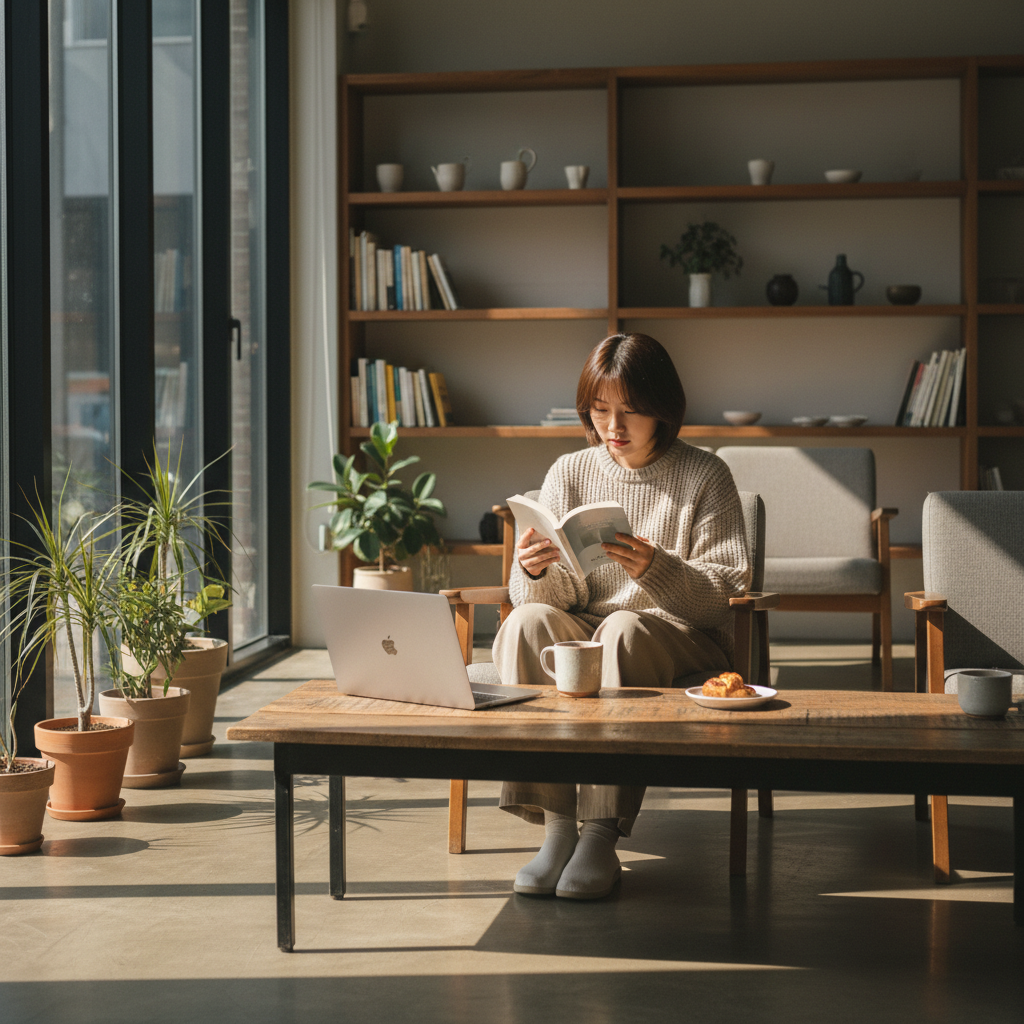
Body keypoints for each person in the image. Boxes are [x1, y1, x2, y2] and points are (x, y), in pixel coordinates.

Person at [494, 332, 751, 900]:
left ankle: (601, 834)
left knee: (622, 627)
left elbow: (724, 594)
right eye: (600, 410)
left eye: (630, 412)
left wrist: (657, 568)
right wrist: (534, 571)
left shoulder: (706, 475)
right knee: (526, 622)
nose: (613, 427)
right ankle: (558, 829)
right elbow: (550, 601)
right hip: (588, 622)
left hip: (679, 633)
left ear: (663, 409)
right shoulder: (570, 470)